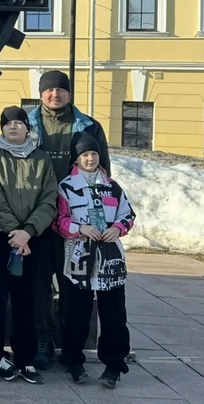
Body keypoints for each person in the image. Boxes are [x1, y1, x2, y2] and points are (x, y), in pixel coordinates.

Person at [27, 70, 111, 369]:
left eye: (61, 89)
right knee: (39, 283)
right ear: (41, 93)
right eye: (49, 90)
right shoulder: (27, 125)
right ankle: (44, 339)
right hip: (38, 217)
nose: (55, 94)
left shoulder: (89, 126)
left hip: (77, 222)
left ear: (69, 93)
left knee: (73, 283)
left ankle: (69, 341)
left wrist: (100, 219)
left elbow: (103, 174)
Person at [0, 106, 57, 385]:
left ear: (27, 127)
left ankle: (25, 357)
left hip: (31, 239)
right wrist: (14, 230)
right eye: (7, 123)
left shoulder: (41, 159)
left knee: (27, 300)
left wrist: (28, 231)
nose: (13, 127)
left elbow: (49, 198)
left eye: (18, 122)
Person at [55, 136, 135, 389]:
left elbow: (128, 214)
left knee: (114, 313)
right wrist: (80, 228)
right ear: (76, 158)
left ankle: (114, 364)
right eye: (85, 155)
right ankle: (72, 360)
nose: (90, 159)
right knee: (76, 311)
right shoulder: (66, 187)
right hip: (79, 256)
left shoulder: (113, 186)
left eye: (94, 154)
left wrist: (118, 228)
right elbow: (58, 220)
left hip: (110, 257)